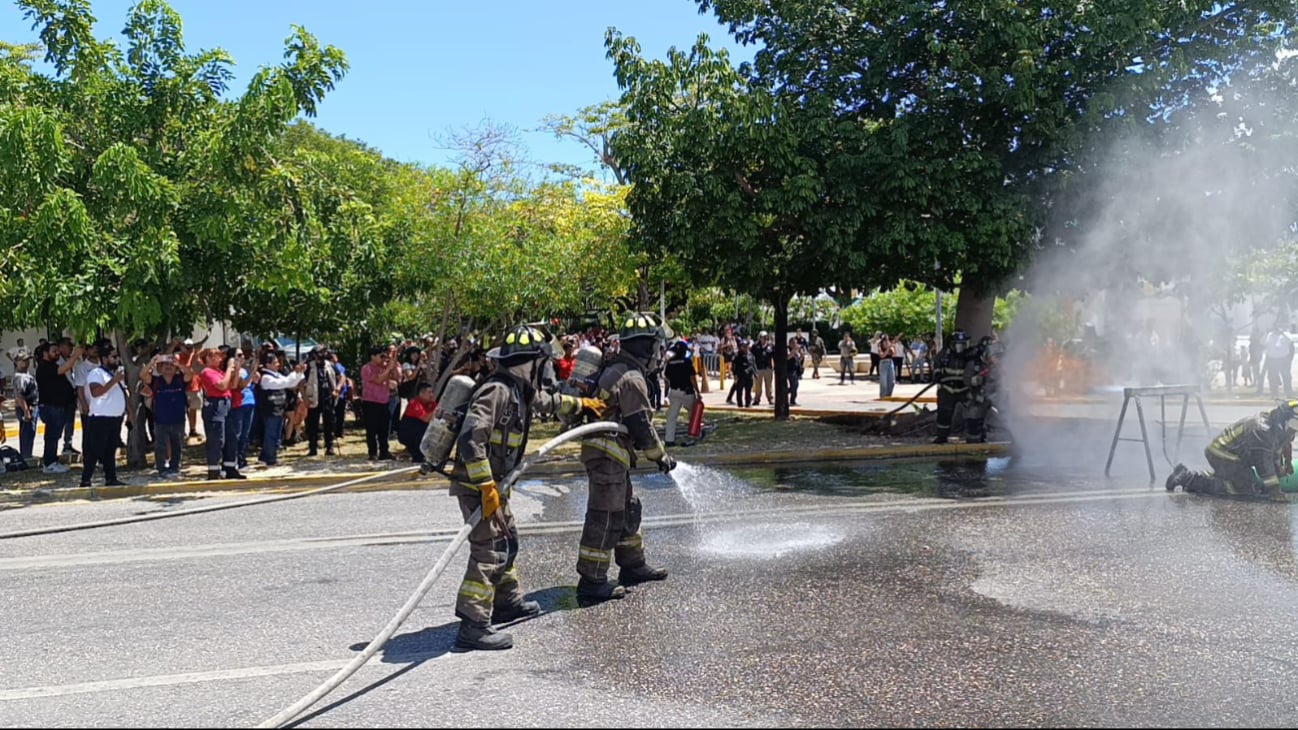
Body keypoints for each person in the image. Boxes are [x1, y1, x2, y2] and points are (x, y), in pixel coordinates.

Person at [448, 324, 606, 650]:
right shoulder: (497, 391)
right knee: (489, 549)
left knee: (507, 541)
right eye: (541, 362)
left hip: (494, 485)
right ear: (529, 362)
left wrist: (583, 405)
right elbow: (470, 437)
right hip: (479, 485)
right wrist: (486, 484)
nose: (544, 369)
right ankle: (472, 625)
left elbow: (550, 401)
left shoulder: (520, 390)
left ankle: (506, 602)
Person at [575, 312, 676, 608]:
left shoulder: (623, 370)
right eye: (656, 346)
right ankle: (592, 581)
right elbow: (641, 425)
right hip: (607, 454)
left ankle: (633, 565)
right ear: (645, 346)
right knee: (605, 515)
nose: (659, 353)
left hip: (614, 454)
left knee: (627, 508)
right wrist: (661, 457)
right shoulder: (630, 378)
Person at [1166, 401, 1297, 500]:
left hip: (1236, 457)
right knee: (1243, 489)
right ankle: (1189, 478)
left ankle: (1205, 476)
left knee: (1249, 483)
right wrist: (1274, 490)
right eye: (1294, 424)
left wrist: (1280, 474)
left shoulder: (1281, 430)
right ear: (1283, 419)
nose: (1295, 429)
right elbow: (1263, 463)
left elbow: (1275, 454)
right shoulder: (1263, 430)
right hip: (1222, 454)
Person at [80, 343, 129, 488]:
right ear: (104, 358)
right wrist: (114, 381)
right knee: (94, 450)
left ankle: (111, 478)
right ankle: (85, 479)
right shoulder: (96, 373)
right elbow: (96, 392)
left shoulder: (114, 374)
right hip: (100, 417)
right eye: (113, 357)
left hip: (115, 418)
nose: (116, 359)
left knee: (110, 450)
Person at [198, 347, 249, 480]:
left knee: (231, 437)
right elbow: (222, 385)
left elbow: (233, 385)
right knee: (216, 439)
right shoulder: (207, 372)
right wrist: (229, 369)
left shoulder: (219, 371)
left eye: (219, 356)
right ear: (208, 358)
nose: (219, 358)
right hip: (215, 405)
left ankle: (230, 467)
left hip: (227, 403)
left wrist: (236, 370)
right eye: (215, 355)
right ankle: (214, 471)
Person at [932, 330, 990, 444]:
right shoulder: (945, 354)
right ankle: (942, 437)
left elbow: (982, 371)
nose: (960, 348)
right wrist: (937, 374)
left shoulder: (973, 356)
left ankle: (977, 436)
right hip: (947, 389)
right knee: (944, 414)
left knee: (975, 412)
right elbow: (936, 363)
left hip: (966, 390)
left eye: (962, 344)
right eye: (957, 345)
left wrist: (978, 380)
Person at [141, 354, 191, 477]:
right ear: (160, 368)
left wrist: (179, 364)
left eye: (171, 365)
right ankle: (161, 468)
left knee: (177, 445)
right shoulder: (156, 381)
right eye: (165, 365)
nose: (168, 367)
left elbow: (190, 374)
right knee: (160, 446)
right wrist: (152, 362)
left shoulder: (180, 380)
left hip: (178, 419)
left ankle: (175, 467)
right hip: (160, 420)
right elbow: (143, 375)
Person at [254, 352, 307, 467]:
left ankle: (266, 457)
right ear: (268, 365)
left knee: (277, 434)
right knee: (271, 434)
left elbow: (291, 383)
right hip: (270, 410)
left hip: (279, 409)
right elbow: (284, 383)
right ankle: (270, 458)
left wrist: (299, 373)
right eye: (275, 362)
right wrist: (295, 372)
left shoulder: (277, 374)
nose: (278, 364)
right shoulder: (266, 377)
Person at [360, 345, 399, 460]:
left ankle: (384, 451)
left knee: (384, 428)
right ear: (373, 356)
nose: (383, 359)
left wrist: (393, 363)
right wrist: (387, 369)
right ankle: (372, 452)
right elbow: (378, 380)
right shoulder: (367, 368)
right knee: (372, 428)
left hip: (384, 401)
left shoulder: (384, 367)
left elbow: (396, 377)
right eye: (380, 356)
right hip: (371, 402)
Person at [662, 339, 699, 446]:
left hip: (673, 392)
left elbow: (666, 377)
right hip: (687, 392)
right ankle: (693, 435)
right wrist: (698, 391)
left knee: (671, 417)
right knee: (693, 414)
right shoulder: (687, 362)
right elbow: (692, 378)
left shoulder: (670, 362)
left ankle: (669, 440)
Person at [397, 382, 437, 462]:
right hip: (407, 434)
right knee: (422, 428)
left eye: (432, 392)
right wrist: (436, 411)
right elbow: (425, 419)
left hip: (417, 431)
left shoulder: (431, 404)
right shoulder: (414, 403)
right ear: (421, 394)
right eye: (429, 392)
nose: (432, 395)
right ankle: (417, 456)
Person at [11, 350, 37, 461]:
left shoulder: (26, 375)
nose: (26, 363)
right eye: (23, 361)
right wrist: (26, 411)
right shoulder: (19, 377)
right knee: (27, 432)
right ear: (16, 362)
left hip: (31, 406)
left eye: (27, 360)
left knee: (30, 432)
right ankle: (26, 456)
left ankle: (27, 454)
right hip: (26, 407)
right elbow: (20, 396)